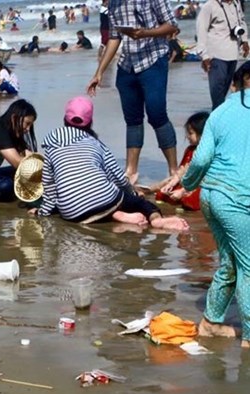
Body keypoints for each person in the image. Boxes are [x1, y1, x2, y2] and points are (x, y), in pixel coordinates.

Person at [32, 96, 189, 232]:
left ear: (65, 120)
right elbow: (118, 177)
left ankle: (115, 215)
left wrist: (43, 211)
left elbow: (49, 184)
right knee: (140, 203)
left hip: (73, 214)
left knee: (77, 201)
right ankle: (156, 220)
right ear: (90, 122)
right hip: (104, 199)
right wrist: (131, 193)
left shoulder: (51, 146)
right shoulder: (95, 143)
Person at [181, 62, 250, 344]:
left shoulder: (220, 112)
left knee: (230, 263)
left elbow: (200, 159)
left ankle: (210, 322)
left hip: (211, 195)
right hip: (238, 199)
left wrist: (189, 184)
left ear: (234, 85)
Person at [87, 0, 180, 186]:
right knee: (132, 119)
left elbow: (171, 25)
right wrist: (99, 72)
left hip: (153, 60)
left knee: (157, 114)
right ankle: (131, 170)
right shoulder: (112, 5)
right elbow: (114, 38)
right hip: (127, 65)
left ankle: (173, 169)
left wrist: (145, 33)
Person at [196, 0, 249, 109]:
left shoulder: (236, 3)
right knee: (217, 95)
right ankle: (216, 121)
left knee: (225, 90)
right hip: (216, 55)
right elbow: (201, 30)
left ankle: (220, 116)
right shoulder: (209, 5)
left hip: (233, 54)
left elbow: (242, 21)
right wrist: (204, 55)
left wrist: (244, 41)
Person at [155, 111, 209, 210]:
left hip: (200, 185)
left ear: (202, 134)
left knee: (189, 200)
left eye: (191, 133)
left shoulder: (207, 153)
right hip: (187, 183)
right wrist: (170, 185)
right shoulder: (189, 150)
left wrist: (183, 191)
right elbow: (181, 172)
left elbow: (203, 178)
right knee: (161, 195)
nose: (187, 136)